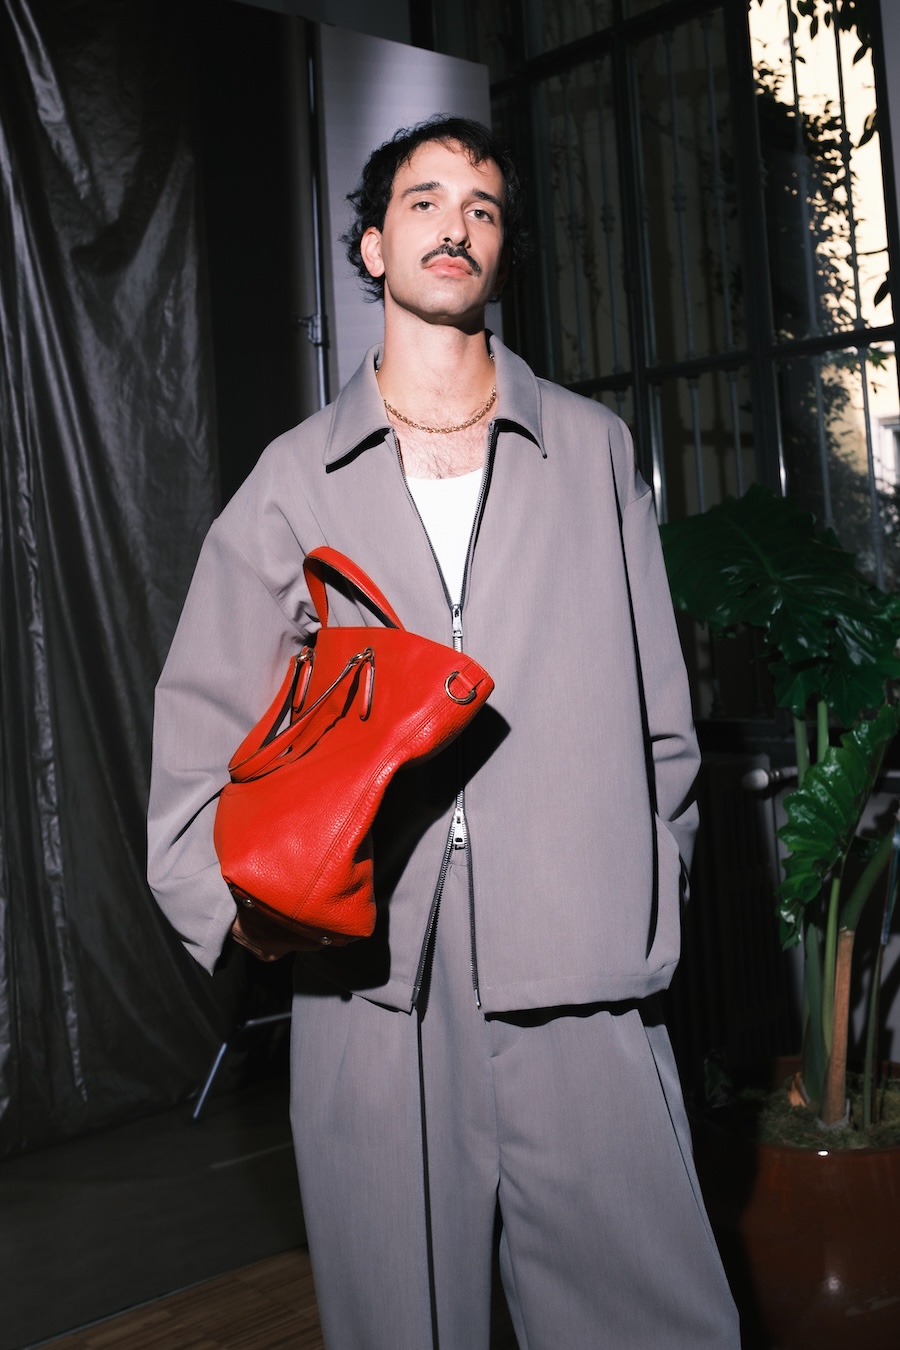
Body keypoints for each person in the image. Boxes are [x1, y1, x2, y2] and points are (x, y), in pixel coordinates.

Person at [148, 116, 739, 1349]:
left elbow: (663, 731)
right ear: (373, 246)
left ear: (502, 250)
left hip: (581, 983)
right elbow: (200, 724)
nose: (454, 225)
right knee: (398, 1327)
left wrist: (640, 900)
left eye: (482, 207)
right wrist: (234, 906)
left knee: (656, 1323)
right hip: (372, 996)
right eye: (422, 201)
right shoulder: (293, 480)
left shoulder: (591, 450)